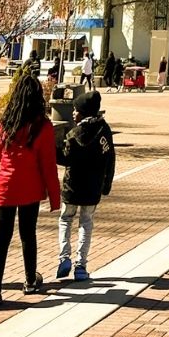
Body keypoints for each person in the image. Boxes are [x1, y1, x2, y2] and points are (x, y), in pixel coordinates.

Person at [0, 66, 61, 307]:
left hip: (6, 185)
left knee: (2, 237)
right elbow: (48, 164)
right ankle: (30, 280)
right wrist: (54, 197)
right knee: (28, 234)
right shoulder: (43, 126)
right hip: (30, 186)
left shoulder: (4, 124)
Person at [56, 91, 115, 282]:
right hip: (93, 186)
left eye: (76, 110)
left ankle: (64, 257)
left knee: (66, 219)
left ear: (83, 112)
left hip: (72, 186)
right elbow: (110, 158)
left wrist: (53, 149)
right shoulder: (104, 131)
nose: (73, 113)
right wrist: (106, 184)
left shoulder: (74, 134)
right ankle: (81, 265)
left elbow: (66, 159)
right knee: (86, 223)